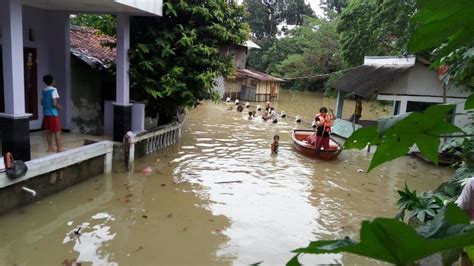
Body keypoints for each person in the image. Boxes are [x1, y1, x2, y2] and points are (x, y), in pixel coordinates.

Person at [41, 74, 63, 152]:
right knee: (57, 131)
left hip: (46, 113)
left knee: (48, 131)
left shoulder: (44, 90)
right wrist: (59, 106)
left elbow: (42, 102)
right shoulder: (54, 90)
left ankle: (50, 148)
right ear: (52, 81)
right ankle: (59, 149)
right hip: (53, 114)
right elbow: (54, 103)